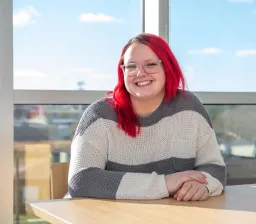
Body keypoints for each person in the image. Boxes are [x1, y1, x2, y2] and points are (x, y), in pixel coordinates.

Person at [67, 33, 226, 201]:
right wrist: (165, 184)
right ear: (123, 71)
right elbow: (81, 180)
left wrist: (203, 185)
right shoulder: (99, 115)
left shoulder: (189, 108)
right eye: (131, 66)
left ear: (167, 67)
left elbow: (214, 166)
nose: (140, 73)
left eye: (150, 65)